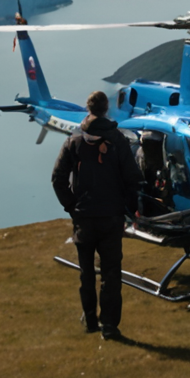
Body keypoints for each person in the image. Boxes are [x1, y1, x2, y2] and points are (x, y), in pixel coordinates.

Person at [50, 90, 140, 340]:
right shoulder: (119, 141)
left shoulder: (74, 141)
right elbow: (132, 178)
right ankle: (109, 326)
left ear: (89, 109)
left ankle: (90, 320)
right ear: (106, 109)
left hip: (84, 219)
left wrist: (72, 207)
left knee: (86, 272)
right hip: (111, 218)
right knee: (111, 273)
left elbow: (57, 179)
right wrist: (129, 210)